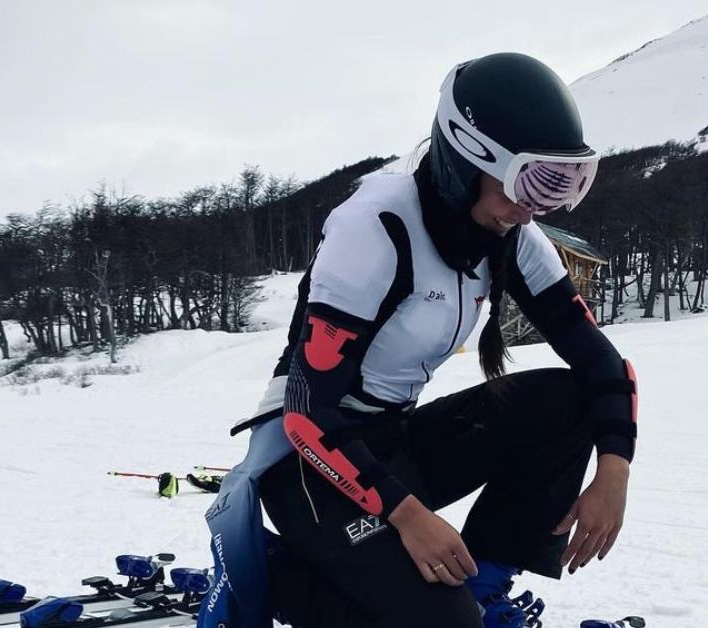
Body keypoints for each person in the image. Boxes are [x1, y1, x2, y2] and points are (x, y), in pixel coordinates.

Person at [198, 52, 638, 628]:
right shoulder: (377, 227)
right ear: (466, 157)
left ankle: (480, 586)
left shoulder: (514, 233)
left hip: (391, 440)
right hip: (304, 458)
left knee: (569, 400)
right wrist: (409, 517)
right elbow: (308, 416)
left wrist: (615, 470)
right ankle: (282, 577)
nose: (535, 206)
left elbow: (602, 365)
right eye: (530, 180)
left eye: (562, 184)